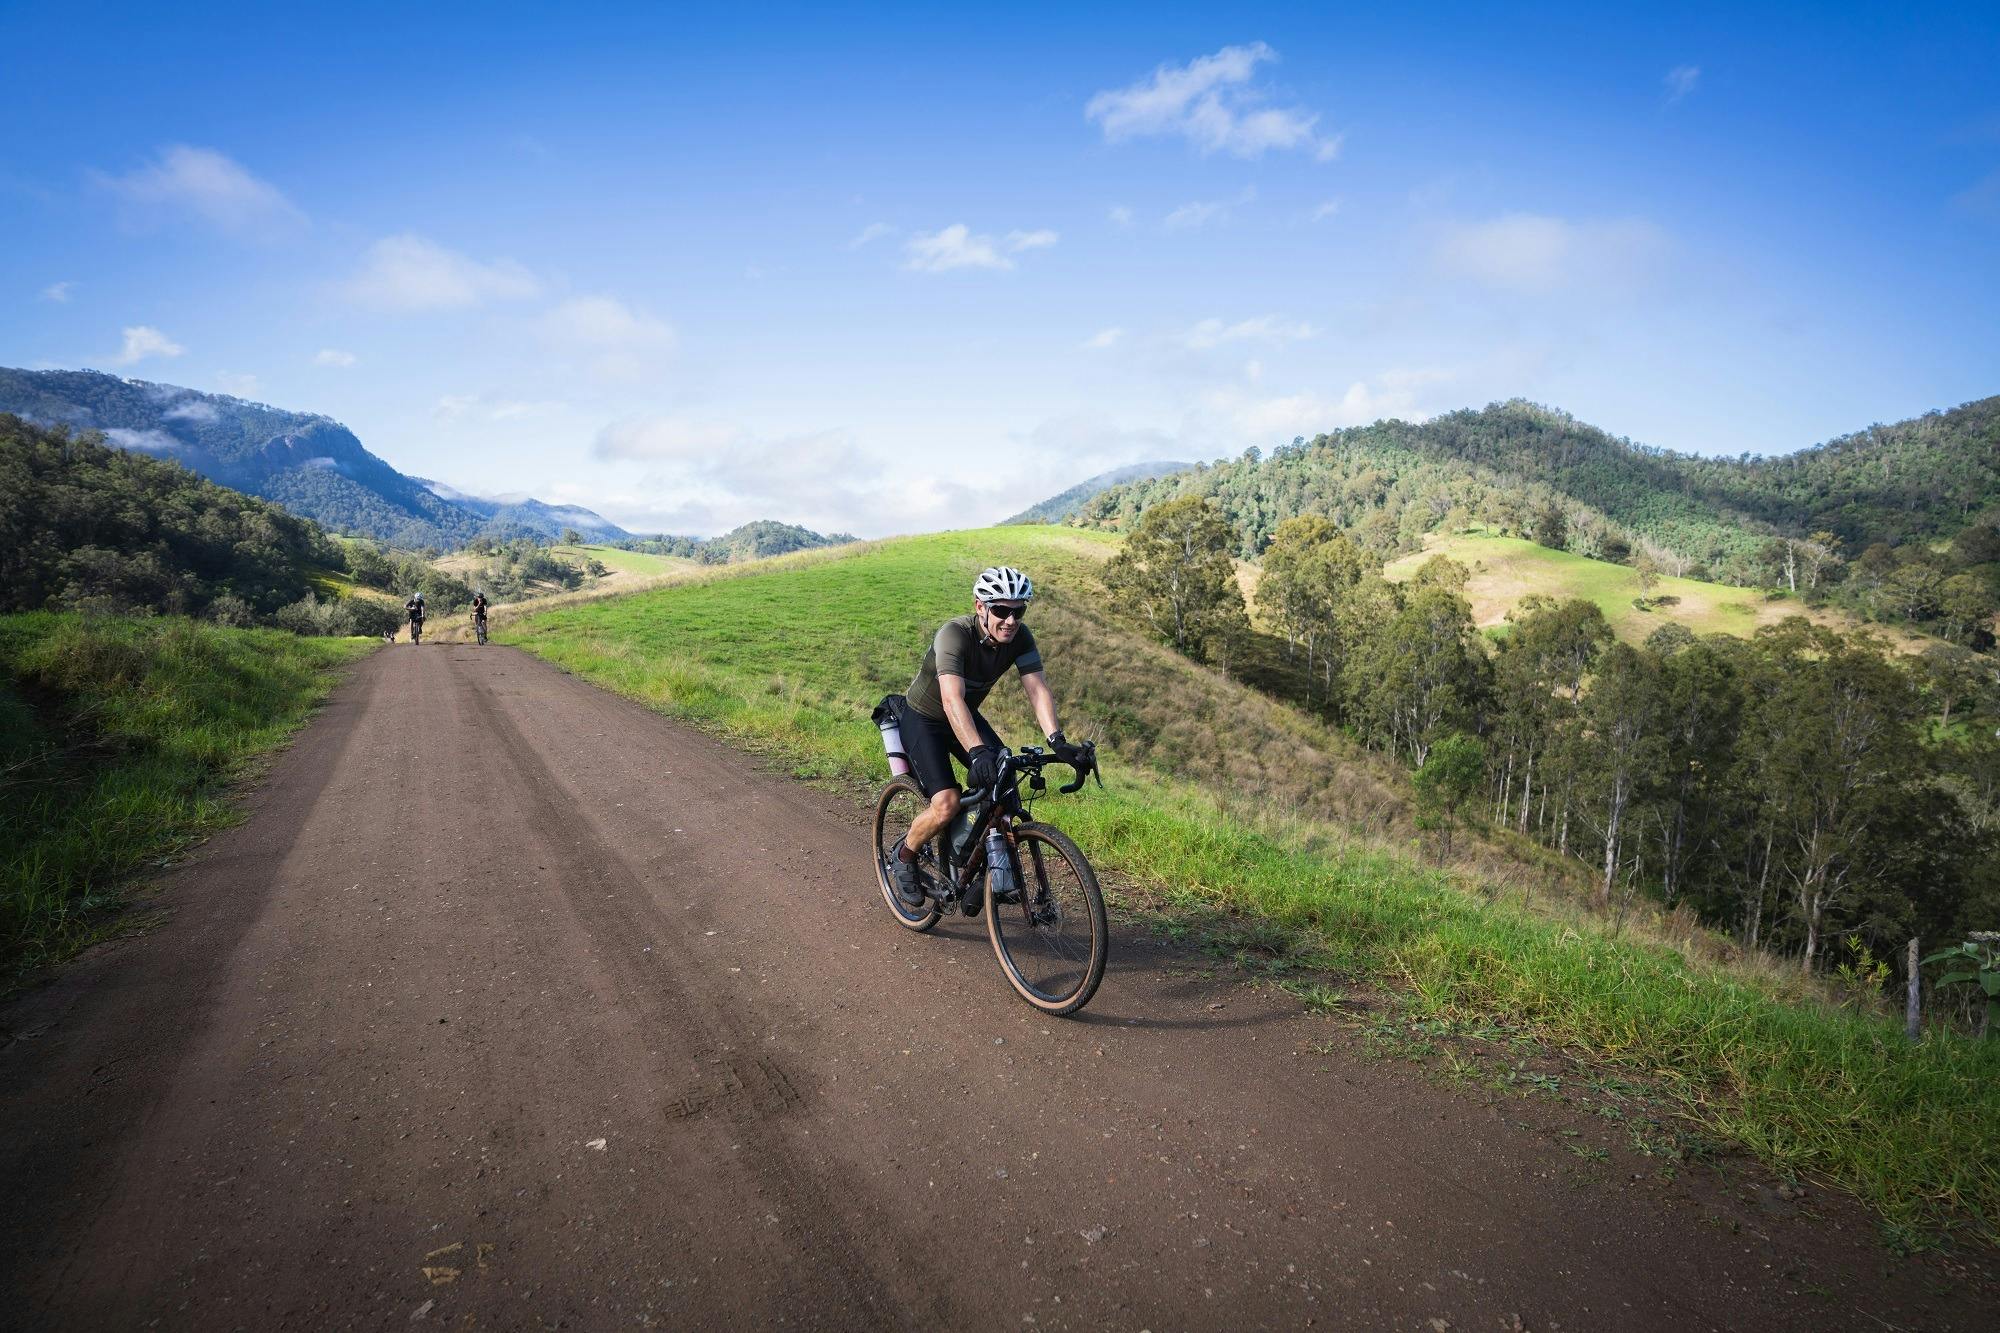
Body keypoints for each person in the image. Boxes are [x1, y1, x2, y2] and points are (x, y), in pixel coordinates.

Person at [889, 566, 1084, 908]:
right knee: (946, 803)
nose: (1010, 620)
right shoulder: (954, 635)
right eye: (1001, 610)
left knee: (1005, 787)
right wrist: (978, 752)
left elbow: (1037, 689)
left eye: (1018, 611)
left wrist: (1057, 740)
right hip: (926, 718)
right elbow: (951, 700)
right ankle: (904, 855)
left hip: (965, 716)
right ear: (980, 607)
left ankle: (976, 867)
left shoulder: (1020, 638)